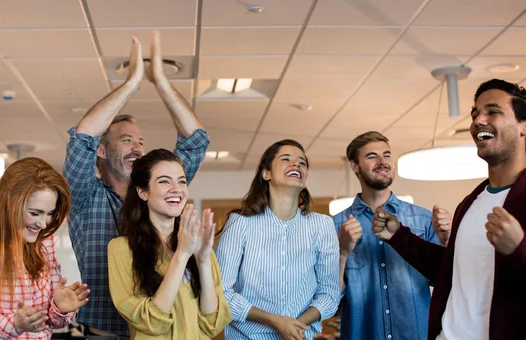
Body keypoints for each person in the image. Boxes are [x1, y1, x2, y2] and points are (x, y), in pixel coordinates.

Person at [63, 31, 209, 337]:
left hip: (160, 333)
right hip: (107, 334)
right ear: (101, 151)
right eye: (126, 140)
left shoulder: (155, 190)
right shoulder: (85, 195)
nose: (138, 148)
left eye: (140, 141)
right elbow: (82, 138)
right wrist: (130, 84)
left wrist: (161, 83)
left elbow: (195, 143)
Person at [372, 79, 526, 340]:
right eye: (475, 114)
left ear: (523, 126)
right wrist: (399, 236)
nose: (478, 120)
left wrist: (519, 249)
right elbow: (451, 270)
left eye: (493, 111)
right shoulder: (470, 203)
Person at [0, 157, 89, 340]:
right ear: (8, 204)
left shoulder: (44, 244)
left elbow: (51, 322)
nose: (43, 224)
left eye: (50, 214)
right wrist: (14, 324)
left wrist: (60, 309)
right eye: (35, 213)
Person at [215, 139, 340, 340]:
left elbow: (329, 295)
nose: (296, 165)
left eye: (302, 162)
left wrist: (296, 325)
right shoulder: (240, 223)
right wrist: (276, 321)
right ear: (267, 174)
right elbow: (220, 292)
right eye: (286, 159)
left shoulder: (322, 225)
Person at [333, 131, 451, 340]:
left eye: (387, 155)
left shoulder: (423, 220)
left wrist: (446, 242)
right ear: (354, 166)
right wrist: (342, 252)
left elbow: (445, 283)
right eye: (372, 156)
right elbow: (330, 300)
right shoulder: (335, 226)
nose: (382, 162)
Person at [107, 149, 231, 339]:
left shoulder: (197, 243)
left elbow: (212, 323)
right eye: (164, 181)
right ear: (142, 192)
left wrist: (203, 260)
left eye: (181, 181)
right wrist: (182, 254)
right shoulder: (121, 249)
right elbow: (152, 322)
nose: (177, 188)